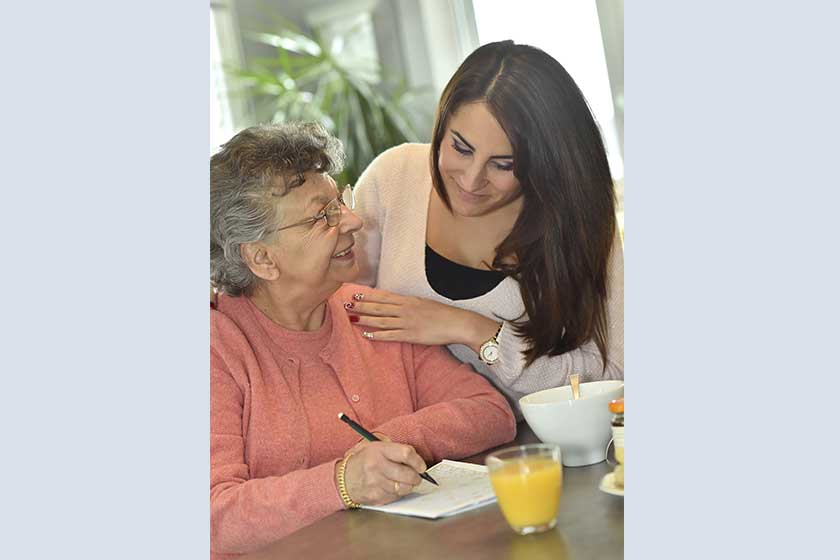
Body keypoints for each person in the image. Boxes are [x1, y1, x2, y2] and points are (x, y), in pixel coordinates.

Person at [210, 122, 516, 559]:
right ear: (261, 258)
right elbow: (214, 518)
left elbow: (490, 413)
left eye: (340, 202)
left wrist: (385, 442)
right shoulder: (214, 347)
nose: (353, 221)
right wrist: (342, 481)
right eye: (322, 216)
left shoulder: (367, 310)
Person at [346, 40, 624, 415]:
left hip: (540, 455)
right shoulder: (392, 178)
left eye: (503, 165)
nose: (471, 180)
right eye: (460, 148)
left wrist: (474, 331)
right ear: (442, 125)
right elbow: (337, 320)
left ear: (543, 163)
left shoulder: (577, 222)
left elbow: (615, 377)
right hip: (408, 452)